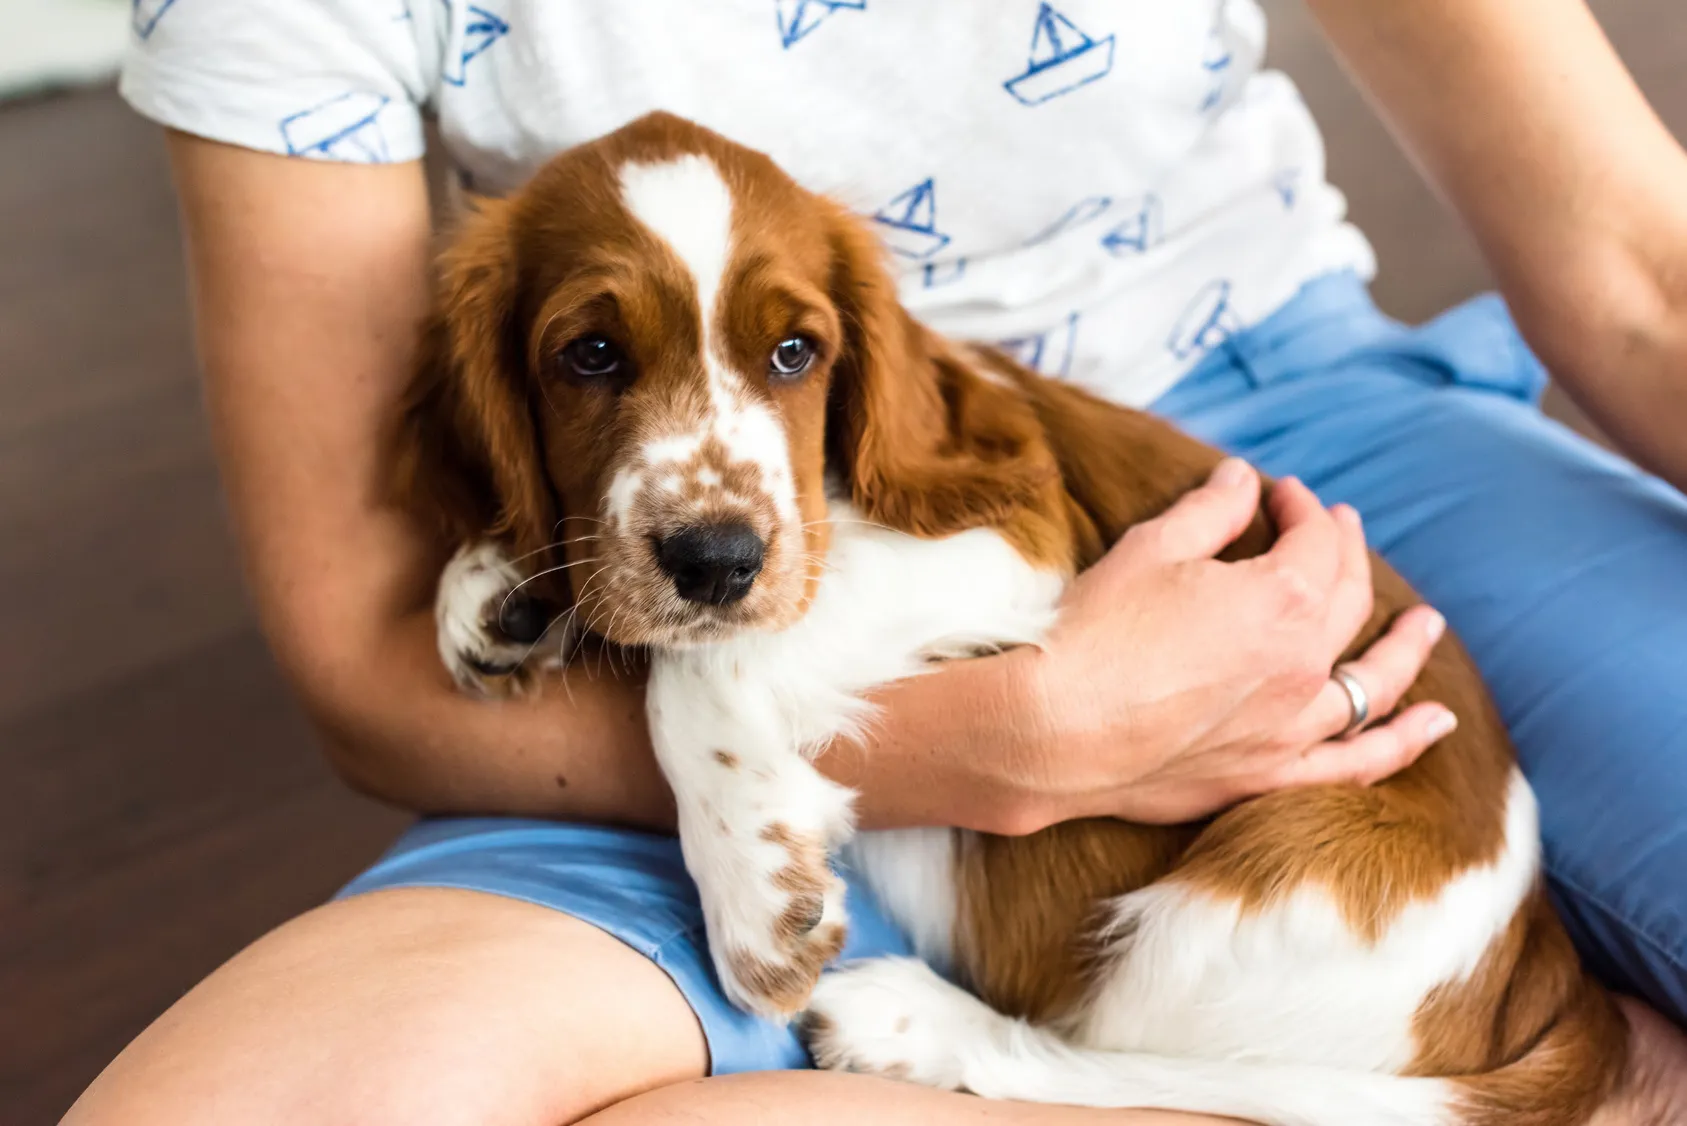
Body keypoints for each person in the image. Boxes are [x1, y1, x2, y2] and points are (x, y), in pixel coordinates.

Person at [68, 2, 1687, 1124]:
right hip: (671, 641)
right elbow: (371, 658)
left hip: (1282, 446)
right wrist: (996, 741)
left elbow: (1639, 260)